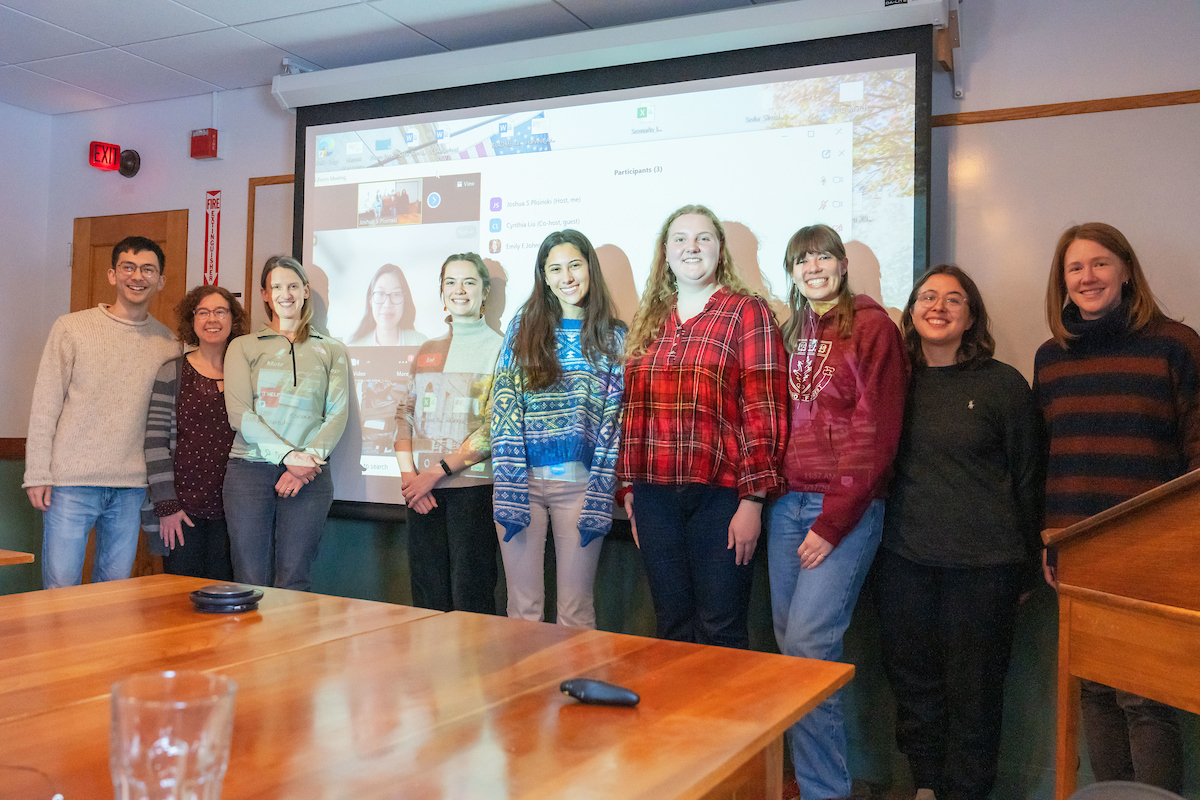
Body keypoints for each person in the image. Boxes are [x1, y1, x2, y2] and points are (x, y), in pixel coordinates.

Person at [1034, 223, 1198, 793]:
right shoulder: (1051, 358)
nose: (1088, 277)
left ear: (1127, 270)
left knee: (1146, 699)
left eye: (1100, 264)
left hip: (1154, 555)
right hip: (1078, 548)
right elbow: (1047, 457)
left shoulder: (1176, 344)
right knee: (1095, 690)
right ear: (1063, 282)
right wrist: (1050, 540)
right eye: (1075, 268)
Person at [876, 265, 1041, 800]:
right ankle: (927, 786)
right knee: (915, 686)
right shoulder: (891, 383)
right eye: (928, 296)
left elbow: (1027, 478)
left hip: (984, 570)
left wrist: (1023, 569)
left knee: (975, 694)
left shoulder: (1003, 385)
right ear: (912, 311)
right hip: (905, 562)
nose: (939, 307)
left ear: (971, 316)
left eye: (953, 299)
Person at [765, 223, 907, 800]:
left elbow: (876, 431)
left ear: (843, 265)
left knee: (808, 645)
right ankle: (810, 781)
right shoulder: (789, 329)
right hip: (784, 505)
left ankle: (826, 790)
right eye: (802, 260)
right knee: (792, 648)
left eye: (823, 257)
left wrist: (833, 521)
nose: (813, 268)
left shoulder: (873, 328)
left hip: (841, 509)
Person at [619, 204, 787, 648]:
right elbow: (631, 410)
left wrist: (753, 501)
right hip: (653, 494)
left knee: (721, 627)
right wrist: (631, 492)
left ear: (720, 250)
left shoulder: (746, 312)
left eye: (704, 238)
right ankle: (678, 720)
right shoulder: (649, 317)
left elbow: (763, 407)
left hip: (722, 496)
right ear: (665, 252)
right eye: (680, 238)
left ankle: (724, 721)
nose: (691, 246)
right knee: (671, 626)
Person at [24, 236, 180, 589]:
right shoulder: (72, 328)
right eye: (128, 267)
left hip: (130, 487)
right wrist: (36, 472)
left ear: (160, 280)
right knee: (59, 592)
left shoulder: (168, 344)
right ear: (112, 274)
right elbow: (45, 404)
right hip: (70, 483)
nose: (137, 276)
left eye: (147, 269)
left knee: (113, 596)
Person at [491, 229, 626, 628]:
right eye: (555, 268)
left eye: (574, 265)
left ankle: (571, 692)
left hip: (582, 487)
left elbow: (614, 418)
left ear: (589, 269)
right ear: (544, 277)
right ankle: (525, 692)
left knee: (576, 612)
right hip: (522, 484)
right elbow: (503, 404)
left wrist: (603, 484)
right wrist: (510, 477)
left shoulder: (613, 336)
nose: (566, 276)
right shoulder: (523, 329)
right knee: (523, 610)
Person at [223, 255, 349, 590]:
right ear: (265, 294)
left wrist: (304, 461)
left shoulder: (331, 350)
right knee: (249, 579)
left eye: (293, 285)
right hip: (249, 471)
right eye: (276, 286)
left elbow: (337, 413)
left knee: (295, 578)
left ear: (306, 290)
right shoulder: (242, 347)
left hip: (311, 473)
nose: (286, 293)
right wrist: (287, 456)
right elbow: (239, 413)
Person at [396, 253, 504, 613]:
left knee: (470, 596)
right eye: (451, 282)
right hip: (421, 494)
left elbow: (494, 426)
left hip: (472, 492)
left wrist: (434, 473)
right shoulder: (427, 350)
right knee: (427, 599)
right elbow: (404, 414)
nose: (460, 290)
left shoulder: (502, 349)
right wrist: (411, 479)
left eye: (470, 282)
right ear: (442, 292)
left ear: (485, 292)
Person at [143, 286, 249, 581]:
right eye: (203, 312)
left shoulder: (248, 374)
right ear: (192, 321)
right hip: (182, 510)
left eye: (220, 311)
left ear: (233, 320)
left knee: (226, 602)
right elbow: (155, 442)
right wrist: (166, 506)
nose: (211, 319)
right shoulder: (172, 372)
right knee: (180, 601)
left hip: (236, 510)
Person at [347, 263, 427, 347]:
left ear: (405, 300)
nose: (388, 304)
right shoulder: (355, 349)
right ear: (370, 300)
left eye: (396, 294)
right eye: (380, 294)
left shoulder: (421, 344)